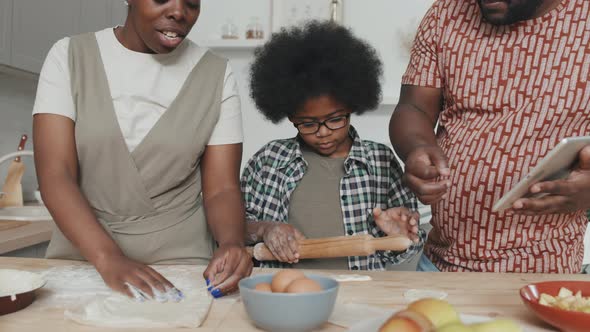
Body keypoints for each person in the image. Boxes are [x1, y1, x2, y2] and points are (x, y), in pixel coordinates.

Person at [32, 0, 252, 299]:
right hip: (83, 255)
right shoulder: (70, 56)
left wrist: (231, 243)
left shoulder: (216, 73)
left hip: (181, 262)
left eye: (191, 3)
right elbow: (57, 174)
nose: (179, 12)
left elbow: (222, 189)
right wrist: (108, 258)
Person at [390, 0, 590, 273]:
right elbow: (414, 107)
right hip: (438, 265)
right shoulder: (445, 13)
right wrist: (418, 148)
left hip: (542, 271)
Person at [242, 21, 425, 270]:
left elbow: (405, 247)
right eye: (308, 124)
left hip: (361, 295)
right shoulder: (268, 161)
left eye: (336, 119)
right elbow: (235, 227)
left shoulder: (381, 162)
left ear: (352, 105)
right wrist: (265, 229)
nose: (324, 133)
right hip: (285, 295)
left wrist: (398, 237)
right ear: (290, 117)